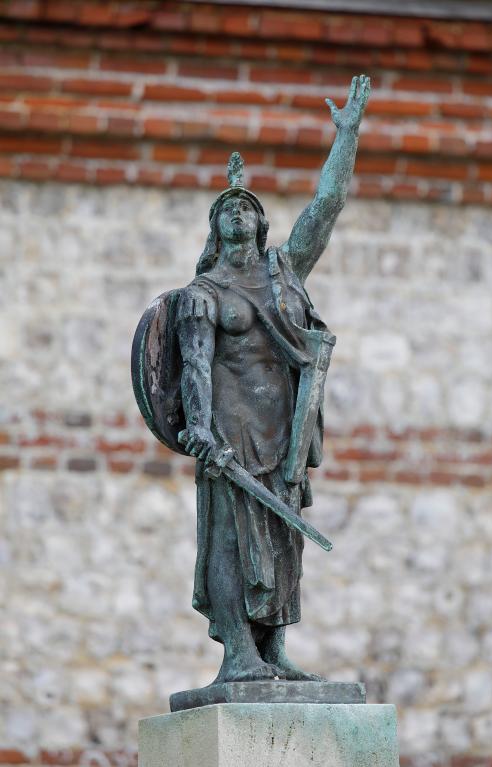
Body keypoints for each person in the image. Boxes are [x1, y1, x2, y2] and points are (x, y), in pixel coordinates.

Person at [137, 75, 370, 684]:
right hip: (229, 425)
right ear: (216, 228)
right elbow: (191, 365)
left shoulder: (284, 272)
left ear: (262, 225)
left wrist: (344, 139)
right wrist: (202, 432)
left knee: (280, 536)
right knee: (230, 539)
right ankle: (237, 651)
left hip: (282, 429)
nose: (239, 212)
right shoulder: (202, 295)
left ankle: (275, 650)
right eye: (229, 209)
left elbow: (326, 207)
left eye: (248, 207)